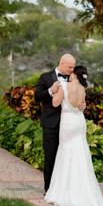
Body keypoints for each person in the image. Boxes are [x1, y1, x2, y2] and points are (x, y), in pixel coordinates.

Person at [44, 65, 103, 206]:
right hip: (79, 122)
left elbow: (55, 103)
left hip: (68, 122)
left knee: (66, 152)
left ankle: (64, 189)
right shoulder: (82, 89)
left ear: (74, 75)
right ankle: (82, 188)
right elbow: (81, 106)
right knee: (80, 152)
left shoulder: (64, 86)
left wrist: (55, 90)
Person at [35, 54, 83, 193]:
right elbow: (37, 97)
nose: (72, 69)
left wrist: (82, 106)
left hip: (69, 124)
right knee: (50, 155)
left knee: (67, 155)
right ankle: (48, 188)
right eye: (70, 67)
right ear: (61, 63)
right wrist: (51, 91)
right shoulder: (45, 77)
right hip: (51, 123)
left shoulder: (73, 78)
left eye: (73, 67)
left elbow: (80, 96)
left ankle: (66, 187)